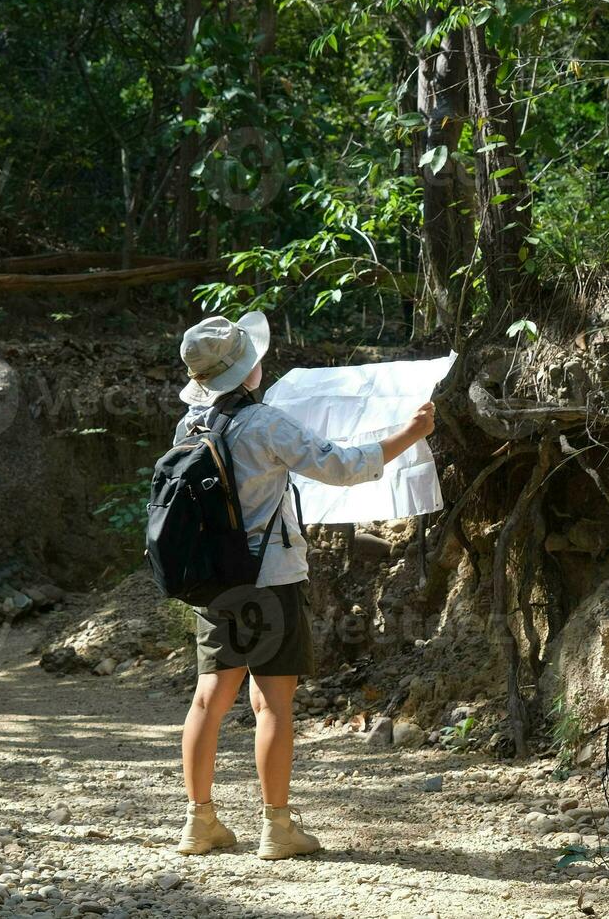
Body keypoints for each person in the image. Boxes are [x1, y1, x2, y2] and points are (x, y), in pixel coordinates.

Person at [172, 311, 435, 860]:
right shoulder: (265, 423)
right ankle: (277, 828)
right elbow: (339, 467)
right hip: (269, 581)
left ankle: (199, 824)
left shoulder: (189, 426)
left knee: (206, 701)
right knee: (272, 705)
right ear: (247, 370)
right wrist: (409, 435)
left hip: (213, 584)